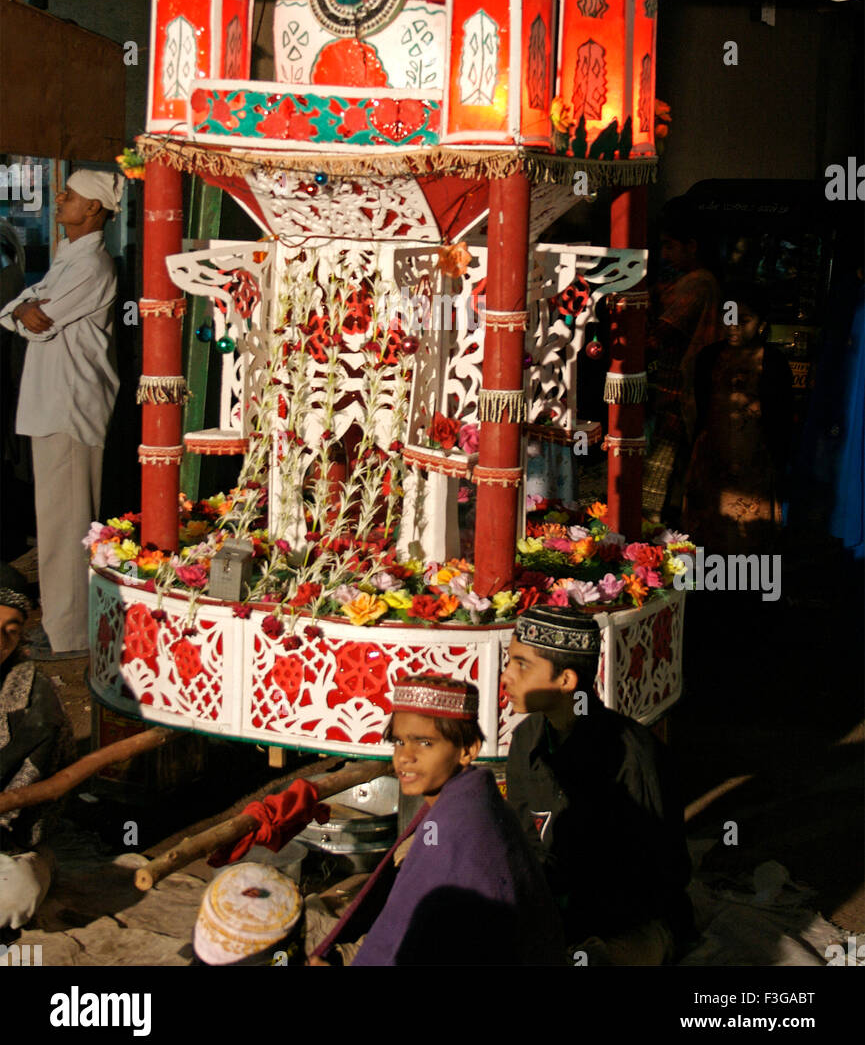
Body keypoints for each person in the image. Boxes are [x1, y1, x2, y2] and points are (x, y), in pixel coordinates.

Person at [310, 674, 565, 967]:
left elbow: (412, 946)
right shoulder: (471, 801)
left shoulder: (455, 834)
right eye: (399, 741)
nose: (405, 757)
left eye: (425, 743)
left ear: (467, 750)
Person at [503, 606, 693, 966]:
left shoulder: (632, 755)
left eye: (521, 665)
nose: (506, 676)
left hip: (632, 922)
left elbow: (661, 875)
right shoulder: (526, 740)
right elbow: (528, 842)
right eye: (509, 661)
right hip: (558, 909)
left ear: (566, 681)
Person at [0, 170, 124, 659]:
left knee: (68, 527)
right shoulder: (68, 260)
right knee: (54, 525)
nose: (60, 199)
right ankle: (59, 627)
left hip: (71, 408)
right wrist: (24, 308)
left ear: (93, 209)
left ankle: (70, 636)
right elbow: (13, 311)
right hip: (52, 406)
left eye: (69, 195)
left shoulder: (92, 265)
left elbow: (34, 324)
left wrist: (24, 310)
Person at [683, 285, 793, 553]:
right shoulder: (708, 357)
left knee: (750, 534)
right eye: (728, 318)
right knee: (709, 530)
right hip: (711, 457)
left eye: (743, 321)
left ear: (762, 324)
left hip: (755, 461)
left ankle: (746, 590)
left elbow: (781, 417)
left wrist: (776, 461)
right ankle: (707, 588)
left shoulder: (774, 362)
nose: (733, 326)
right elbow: (700, 406)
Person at [0, 586, 73, 932]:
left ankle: (39, 865)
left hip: (5, 840)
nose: (1, 639)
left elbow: (30, 795)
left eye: (12, 631)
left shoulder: (34, 699)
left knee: (16, 894)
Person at [644, 208, 721, 522]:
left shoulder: (698, 284)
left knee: (660, 468)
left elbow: (660, 336)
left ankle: (650, 534)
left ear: (693, 246)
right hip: (677, 388)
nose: (664, 254)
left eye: (670, 246)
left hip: (678, 390)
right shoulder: (690, 282)